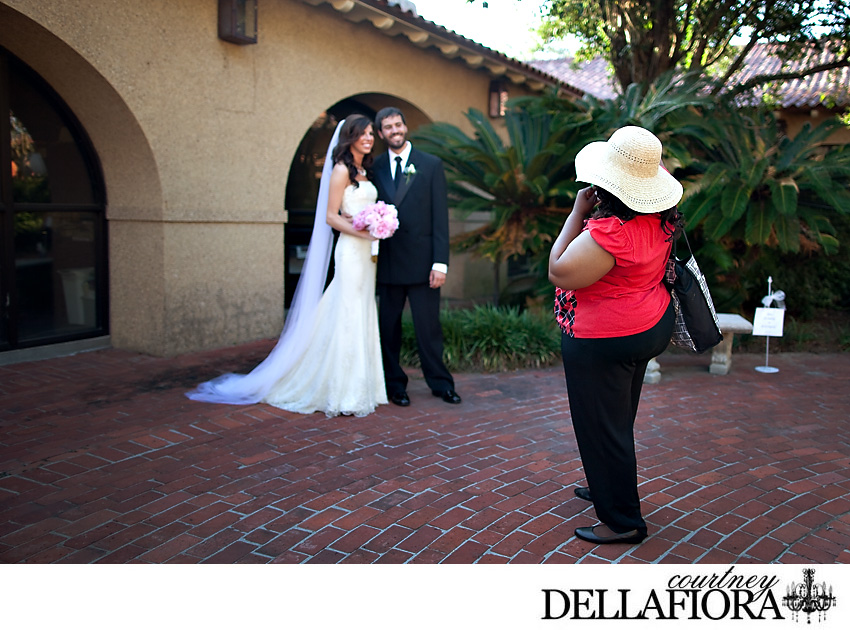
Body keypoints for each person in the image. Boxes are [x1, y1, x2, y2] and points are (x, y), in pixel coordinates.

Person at [186, 115, 388, 417]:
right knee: (346, 310)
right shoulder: (341, 170)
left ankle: (365, 386)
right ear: (350, 137)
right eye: (363, 133)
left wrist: (378, 222)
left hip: (367, 254)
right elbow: (330, 216)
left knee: (361, 308)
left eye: (371, 133)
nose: (369, 138)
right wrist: (363, 231)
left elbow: (354, 211)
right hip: (350, 251)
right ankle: (343, 391)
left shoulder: (364, 171)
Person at [548, 126, 684, 544]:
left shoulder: (612, 232)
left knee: (602, 427)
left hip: (607, 337)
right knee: (615, 420)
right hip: (648, 323)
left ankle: (623, 521)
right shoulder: (659, 215)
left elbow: (559, 270)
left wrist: (576, 214)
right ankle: (605, 484)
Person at [371, 107, 460, 407]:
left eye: (398, 124)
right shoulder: (375, 166)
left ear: (405, 126)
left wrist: (440, 263)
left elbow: (440, 219)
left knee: (428, 328)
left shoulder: (431, 164)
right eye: (388, 127)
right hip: (388, 263)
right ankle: (394, 385)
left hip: (424, 264)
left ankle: (441, 383)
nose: (394, 130)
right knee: (388, 328)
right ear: (381, 133)